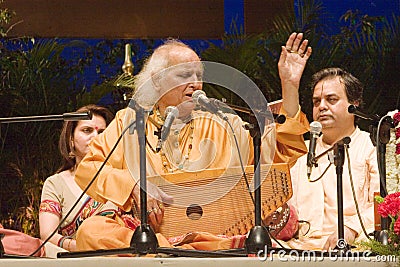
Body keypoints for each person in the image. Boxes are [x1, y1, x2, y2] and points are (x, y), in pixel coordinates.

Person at [74, 39, 311, 251]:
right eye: (184, 75)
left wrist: (290, 87)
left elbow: (278, 151)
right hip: (147, 230)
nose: (196, 83)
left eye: (199, 76)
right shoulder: (128, 122)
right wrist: (133, 185)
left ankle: (169, 250)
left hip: (211, 232)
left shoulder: (223, 122)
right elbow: (89, 169)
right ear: (156, 80)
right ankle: (173, 249)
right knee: (91, 231)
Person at [279, 32, 380, 251]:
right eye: (316, 101)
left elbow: (381, 206)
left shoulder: (371, 149)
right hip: (295, 251)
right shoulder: (299, 152)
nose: (322, 106)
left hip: (352, 250)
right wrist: (289, 84)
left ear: (354, 105)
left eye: (331, 99)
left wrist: (349, 231)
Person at [39, 104, 125, 252]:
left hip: (118, 256)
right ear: (71, 139)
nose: (96, 137)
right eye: (87, 130)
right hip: (74, 258)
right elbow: (47, 235)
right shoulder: (55, 183)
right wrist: (81, 247)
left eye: (103, 133)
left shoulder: (121, 179)